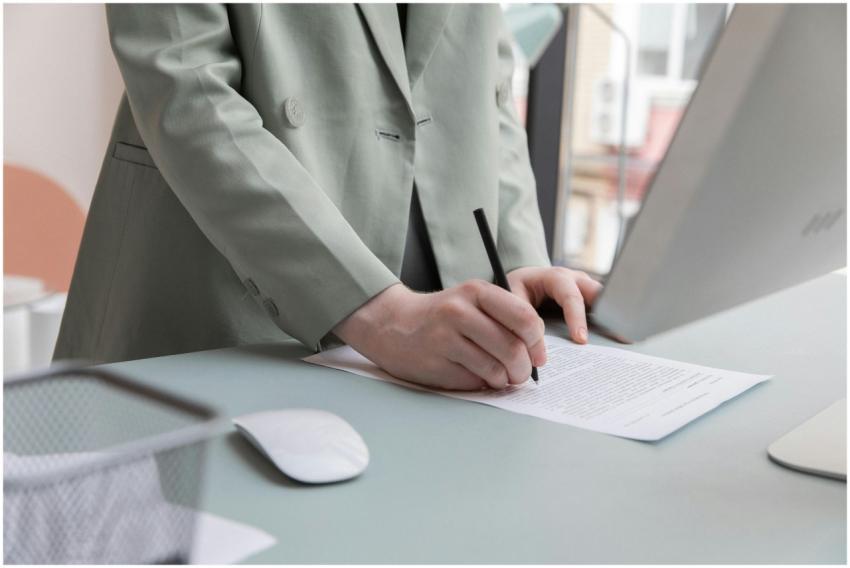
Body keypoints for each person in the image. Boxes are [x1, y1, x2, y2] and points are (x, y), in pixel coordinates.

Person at [55, 4, 602, 390]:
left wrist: (515, 260)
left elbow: (489, 80)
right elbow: (187, 92)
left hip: (440, 347)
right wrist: (382, 316)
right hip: (223, 317)